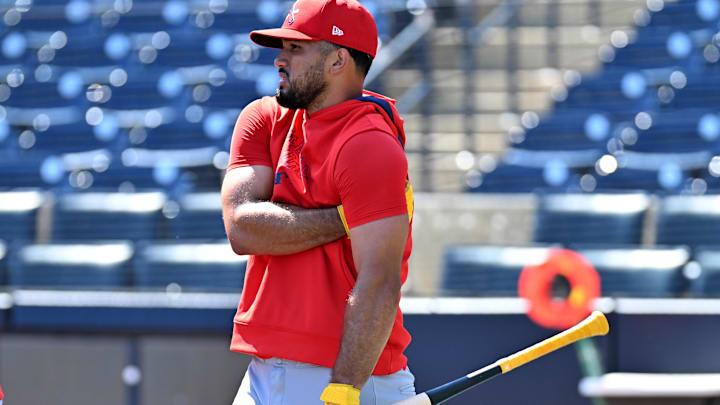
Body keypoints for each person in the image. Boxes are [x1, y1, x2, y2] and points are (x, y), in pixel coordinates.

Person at [221, 0, 415, 403]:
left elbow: (379, 284)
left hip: (349, 372)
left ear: (338, 60)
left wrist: (344, 389)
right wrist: (345, 219)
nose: (279, 60)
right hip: (262, 371)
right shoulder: (262, 118)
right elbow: (242, 228)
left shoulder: (370, 145)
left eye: (296, 48)